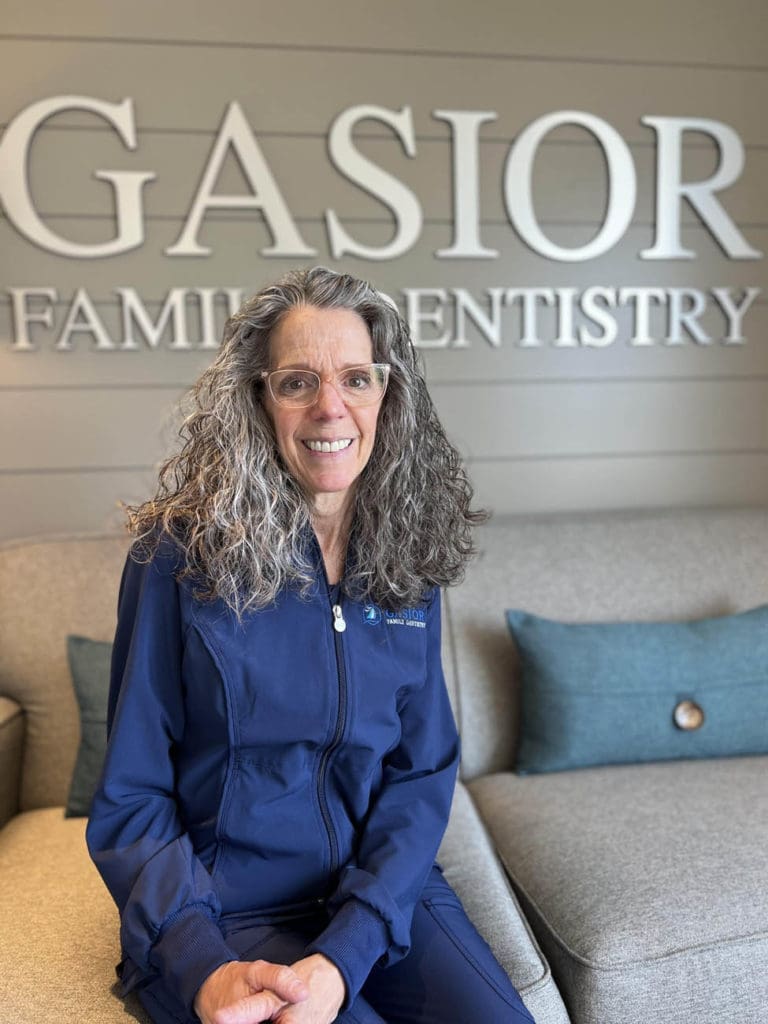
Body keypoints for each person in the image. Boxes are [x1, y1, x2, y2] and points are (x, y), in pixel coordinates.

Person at [86, 267, 535, 1024]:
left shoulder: (406, 554)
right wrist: (200, 962)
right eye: (298, 382)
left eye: (357, 378)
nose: (331, 407)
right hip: (226, 914)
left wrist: (348, 949)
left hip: (379, 895)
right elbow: (131, 795)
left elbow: (421, 770)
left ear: (388, 395)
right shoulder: (176, 558)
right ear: (259, 398)